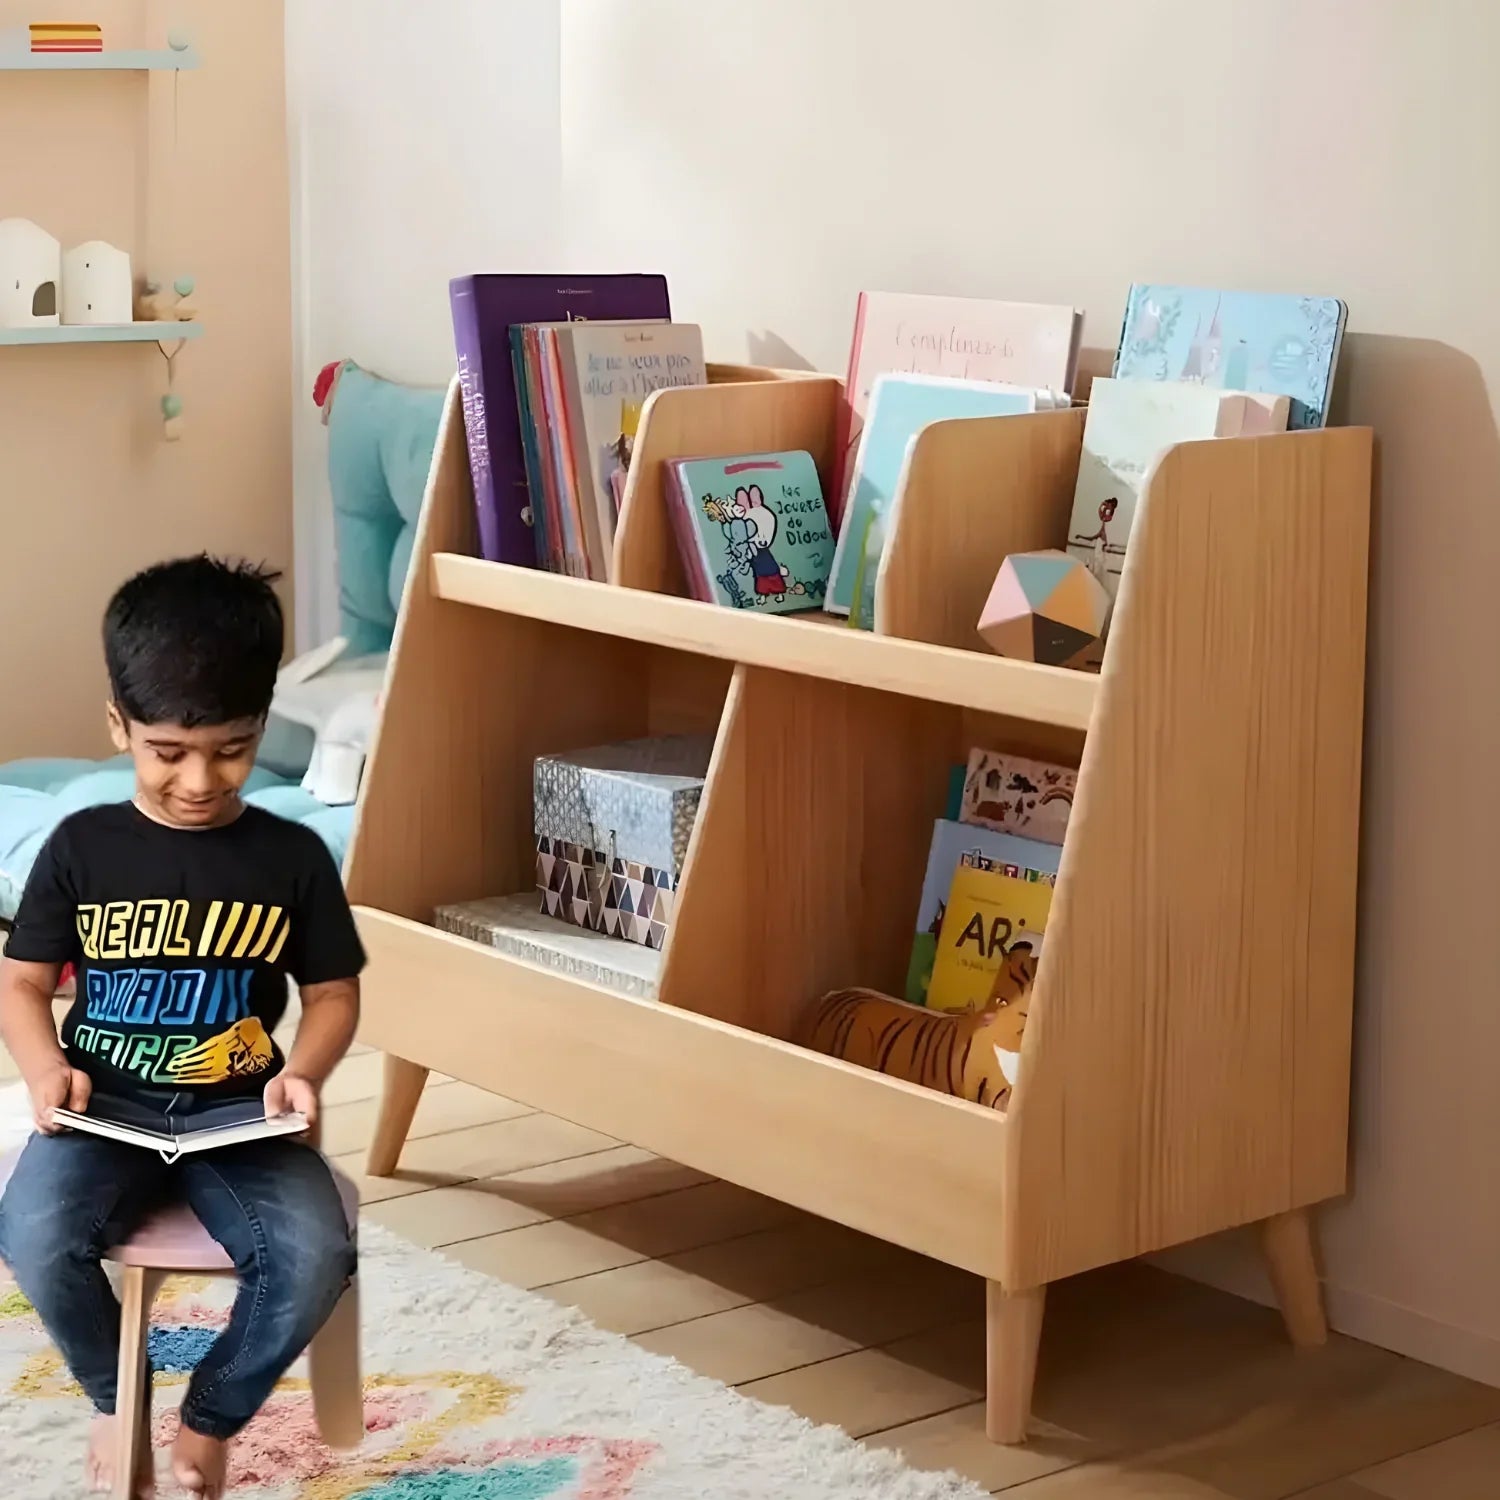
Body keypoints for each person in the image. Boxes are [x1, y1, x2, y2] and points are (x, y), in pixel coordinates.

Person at [0, 556, 364, 1498]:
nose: (200, 778)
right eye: (168, 751)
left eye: (233, 748)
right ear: (117, 725)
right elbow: (23, 982)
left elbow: (330, 995)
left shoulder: (292, 857)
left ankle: (209, 1419)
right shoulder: (81, 847)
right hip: (101, 1104)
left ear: (261, 721)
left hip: (239, 1112)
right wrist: (44, 1072)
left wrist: (306, 1076)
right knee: (31, 1233)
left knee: (317, 1251)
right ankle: (113, 1399)